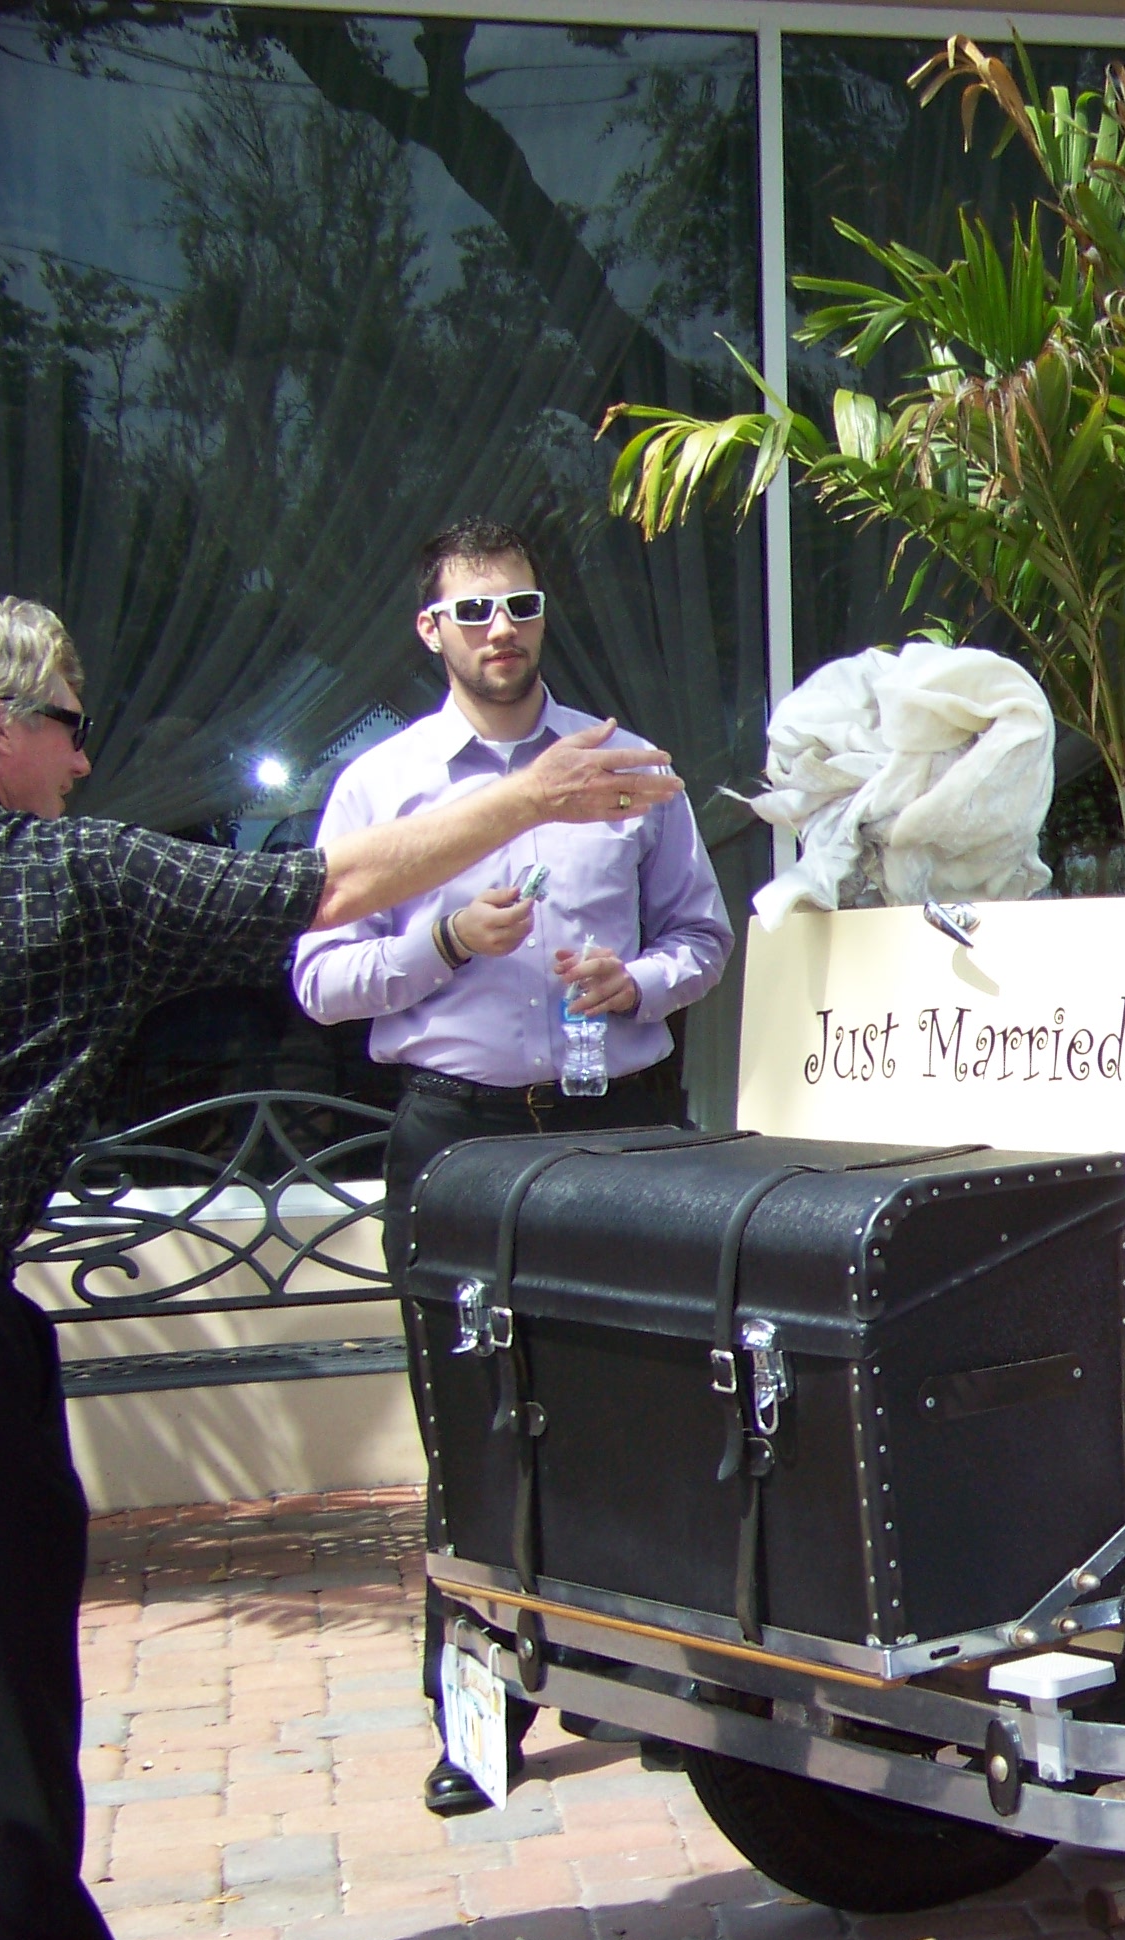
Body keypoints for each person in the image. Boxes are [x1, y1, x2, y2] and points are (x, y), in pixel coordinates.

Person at [0, 591, 676, 1940]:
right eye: (70, 730)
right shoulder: (58, 877)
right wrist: (534, 798)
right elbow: (325, 889)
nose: (82, 765)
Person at [291, 519, 731, 1816]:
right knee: (473, 1426)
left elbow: (703, 936)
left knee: (645, 1409)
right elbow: (319, 981)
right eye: (474, 611)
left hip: (616, 1120)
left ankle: (657, 1694)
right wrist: (440, 941)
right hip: (460, 1135)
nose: (501, 630)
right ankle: (478, 1726)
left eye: (521, 606)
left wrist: (637, 981)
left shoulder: (627, 766)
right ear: (431, 629)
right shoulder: (381, 788)